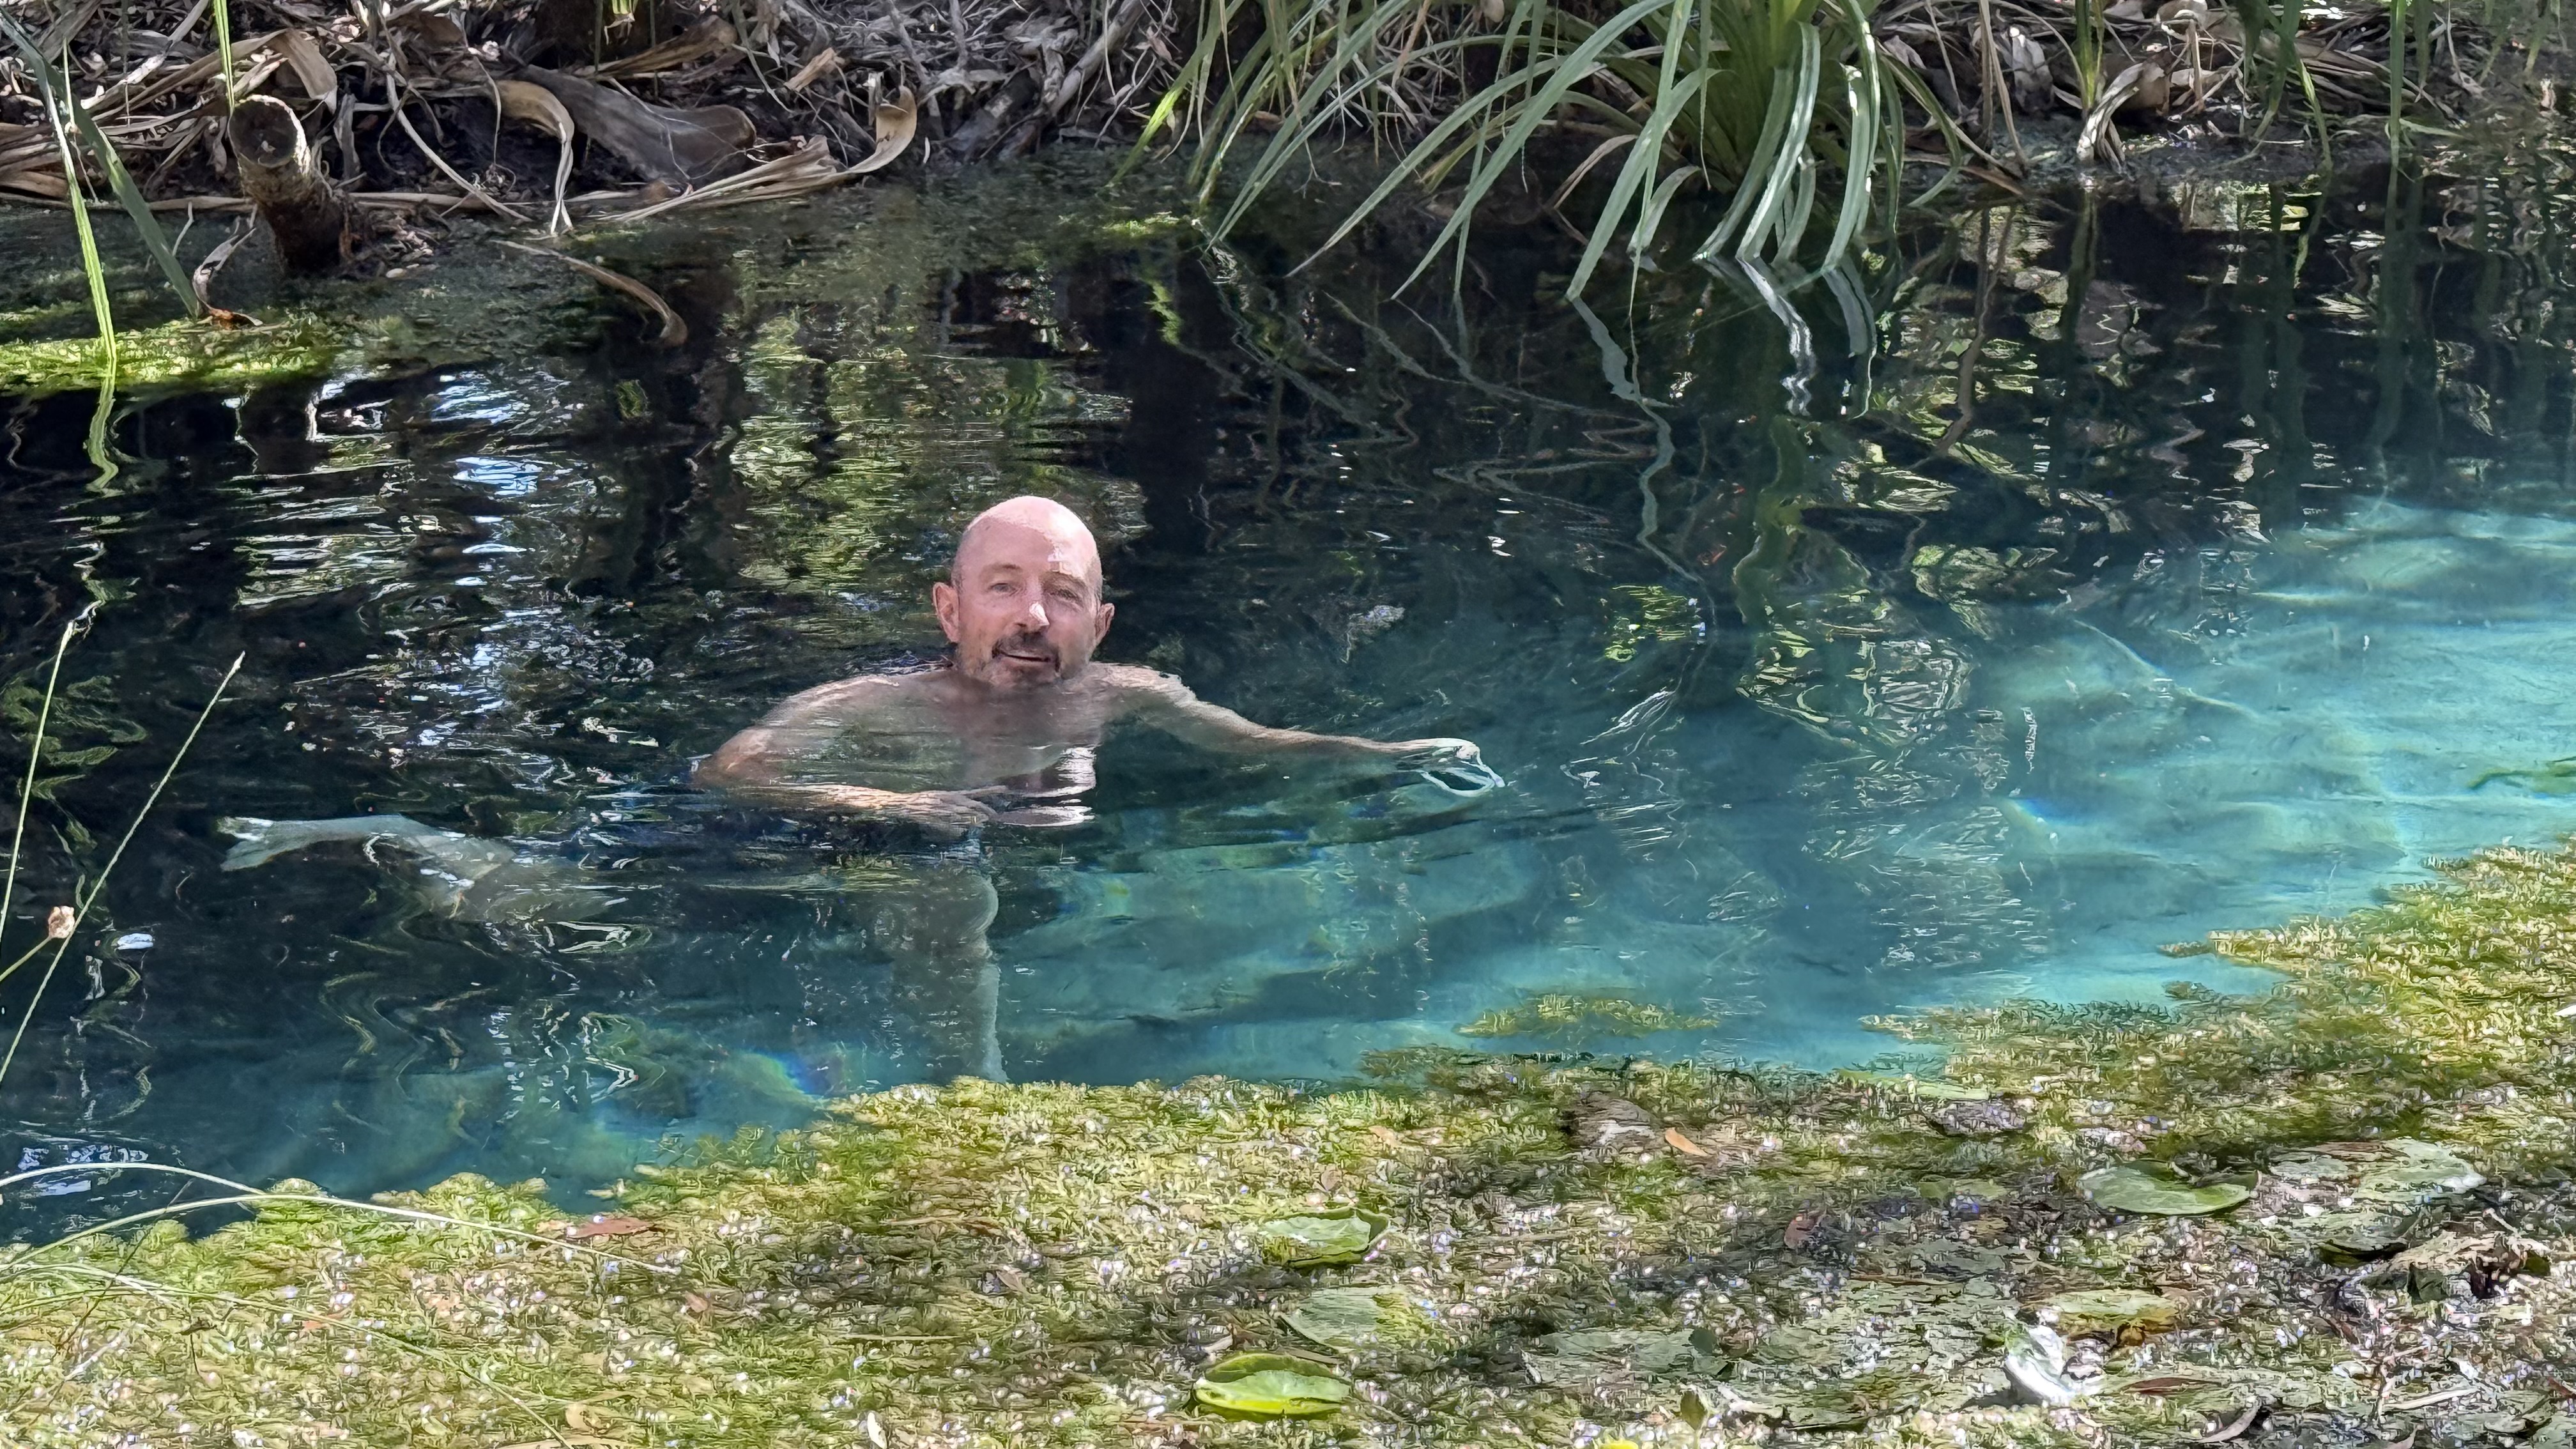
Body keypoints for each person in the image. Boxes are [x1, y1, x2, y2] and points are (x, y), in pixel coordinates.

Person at [688, 494, 1487, 1080]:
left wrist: (1391, 756)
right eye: (1003, 587)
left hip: (991, 838)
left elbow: (1253, 743)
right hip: (837, 841)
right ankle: (971, 1088)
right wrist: (889, 807)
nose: (1033, 616)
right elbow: (729, 773)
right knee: (950, 886)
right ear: (950, 612)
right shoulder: (875, 703)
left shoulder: (1123, 693)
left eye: (1063, 593)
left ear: (1100, 624)